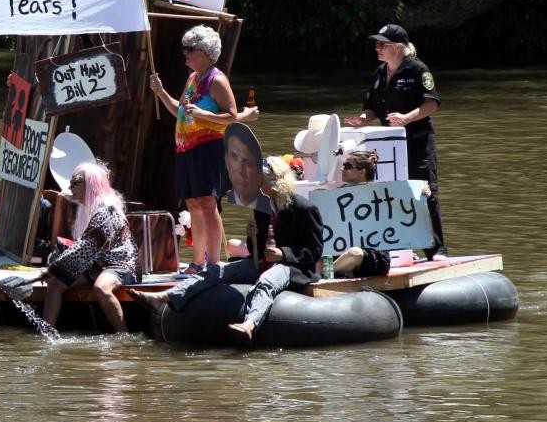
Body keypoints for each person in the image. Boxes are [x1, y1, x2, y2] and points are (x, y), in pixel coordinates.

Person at [128, 156, 322, 343]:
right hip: (262, 261)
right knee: (214, 270)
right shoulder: (262, 207)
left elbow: (314, 251)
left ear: (275, 182)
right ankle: (167, 297)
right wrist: (252, 236)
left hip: (292, 266)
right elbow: (260, 249)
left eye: (259, 180)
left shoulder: (305, 209)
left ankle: (250, 324)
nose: (254, 184)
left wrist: (284, 253)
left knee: (266, 281)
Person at [344, 23, 447, 260]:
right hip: (388, 143)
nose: (377, 48)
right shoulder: (379, 73)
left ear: (399, 47)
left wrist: (406, 118)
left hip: (418, 140)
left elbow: (432, 103)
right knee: (387, 190)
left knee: (425, 191)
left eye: (383, 44)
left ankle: (436, 248)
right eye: (377, 44)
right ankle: (396, 245)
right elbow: (371, 108)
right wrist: (362, 119)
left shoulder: (418, 69)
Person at [149, 24, 237, 273]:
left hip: (207, 148)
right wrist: (161, 92)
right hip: (185, 148)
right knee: (193, 204)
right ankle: (197, 262)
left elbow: (232, 115)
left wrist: (203, 113)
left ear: (206, 52)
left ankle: (213, 262)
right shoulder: (192, 78)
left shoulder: (217, 80)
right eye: (185, 49)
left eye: (191, 49)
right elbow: (180, 110)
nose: (185, 54)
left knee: (208, 203)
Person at [40, 161, 140, 333]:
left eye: (75, 183)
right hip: (97, 265)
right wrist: (55, 272)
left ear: (90, 186)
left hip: (122, 265)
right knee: (55, 284)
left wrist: (53, 268)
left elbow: (84, 247)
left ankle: (123, 336)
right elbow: (84, 249)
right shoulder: (87, 209)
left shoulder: (106, 211)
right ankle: (45, 332)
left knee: (101, 287)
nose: (70, 187)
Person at [331, 151, 392, 278]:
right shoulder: (337, 196)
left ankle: (326, 273)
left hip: (373, 256)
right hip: (341, 251)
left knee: (355, 253)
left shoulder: (380, 195)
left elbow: (404, 204)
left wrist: (423, 193)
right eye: (343, 165)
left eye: (348, 166)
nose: (343, 169)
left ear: (362, 172)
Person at [224, 123, 272, 214]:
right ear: (226, 160)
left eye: (248, 162)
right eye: (234, 156)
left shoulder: (269, 206)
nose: (240, 170)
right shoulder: (220, 199)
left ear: (259, 172)